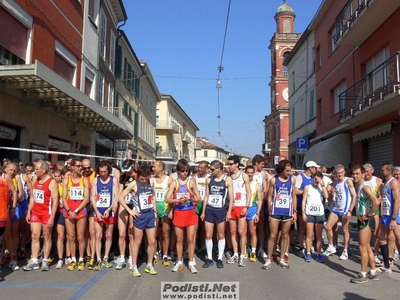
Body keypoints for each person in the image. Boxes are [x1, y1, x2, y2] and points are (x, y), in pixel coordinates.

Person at [118, 164, 158, 277]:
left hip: (150, 214)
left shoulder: (151, 182)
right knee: (137, 241)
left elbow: (153, 196)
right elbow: (120, 197)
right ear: (138, 176)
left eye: (146, 178)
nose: (144, 181)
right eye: (142, 179)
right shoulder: (133, 184)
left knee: (152, 241)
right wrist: (130, 211)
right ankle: (134, 266)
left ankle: (149, 264)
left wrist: (154, 211)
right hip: (139, 215)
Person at [166, 159, 201, 274]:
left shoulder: (191, 182)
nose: (185, 173)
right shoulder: (174, 182)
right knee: (179, 239)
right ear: (178, 171)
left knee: (190, 239)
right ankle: (179, 261)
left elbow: (199, 198)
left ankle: (191, 262)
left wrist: (190, 198)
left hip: (190, 213)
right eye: (182, 170)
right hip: (179, 213)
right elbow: (167, 199)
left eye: (187, 170)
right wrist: (177, 200)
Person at [23, 161, 58, 271]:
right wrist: (29, 211)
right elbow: (33, 197)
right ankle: (34, 260)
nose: (35, 171)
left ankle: (45, 260)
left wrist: (52, 217)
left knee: (46, 236)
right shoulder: (35, 179)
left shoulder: (52, 182)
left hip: (46, 213)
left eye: (37, 169)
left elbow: (55, 201)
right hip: (36, 212)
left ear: (44, 170)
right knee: (34, 235)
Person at [263, 160, 297, 270]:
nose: (289, 172)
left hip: (287, 211)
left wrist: (295, 212)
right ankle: (269, 258)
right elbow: (269, 196)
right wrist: (269, 210)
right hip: (275, 211)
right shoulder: (274, 180)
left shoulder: (292, 180)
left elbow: (293, 196)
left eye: (290, 170)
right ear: (281, 170)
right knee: (272, 235)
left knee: (285, 235)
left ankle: (282, 258)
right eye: (287, 170)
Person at [201, 160, 234, 269]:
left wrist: (229, 212)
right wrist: (203, 211)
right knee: (208, 235)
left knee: (221, 235)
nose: (210, 171)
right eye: (210, 169)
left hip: (221, 210)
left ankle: (219, 258)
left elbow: (231, 197)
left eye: (212, 169)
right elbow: (206, 196)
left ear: (219, 169)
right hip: (210, 209)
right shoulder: (209, 179)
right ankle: (209, 258)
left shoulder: (227, 179)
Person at [350, 165, 380, 283]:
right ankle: (372, 272)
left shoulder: (364, 187)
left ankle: (363, 274)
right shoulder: (360, 186)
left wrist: (368, 214)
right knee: (367, 246)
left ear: (363, 174)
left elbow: (376, 201)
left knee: (362, 247)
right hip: (362, 218)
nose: (355, 176)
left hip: (366, 220)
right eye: (353, 174)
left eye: (357, 174)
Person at [62, 158, 90, 271]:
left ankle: (81, 259)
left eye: (81, 166)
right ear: (72, 167)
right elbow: (63, 198)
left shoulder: (84, 180)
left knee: (80, 236)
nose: (80, 168)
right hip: (69, 210)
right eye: (78, 166)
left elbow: (86, 198)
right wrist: (69, 211)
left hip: (80, 210)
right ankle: (73, 259)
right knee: (71, 236)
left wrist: (77, 210)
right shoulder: (66, 179)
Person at [324, 164, 356, 260]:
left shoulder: (348, 181)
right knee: (328, 226)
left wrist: (350, 210)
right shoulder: (335, 182)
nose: (340, 175)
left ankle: (345, 250)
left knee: (345, 230)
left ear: (344, 172)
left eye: (341, 173)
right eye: (338, 173)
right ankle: (331, 246)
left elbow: (354, 196)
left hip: (345, 210)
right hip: (336, 208)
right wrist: (330, 190)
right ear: (335, 174)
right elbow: (329, 194)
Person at [91, 160, 119, 271]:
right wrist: (97, 211)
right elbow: (93, 197)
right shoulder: (95, 180)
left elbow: (116, 196)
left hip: (109, 211)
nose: (102, 174)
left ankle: (106, 257)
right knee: (98, 235)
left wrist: (109, 209)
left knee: (108, 235)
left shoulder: (113, 180)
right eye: (101, 171)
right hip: (98, 210)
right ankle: (98, 258)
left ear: (108, 171)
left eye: (104, 172)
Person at [227, 155, 251, 267]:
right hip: (232, 206)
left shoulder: (244, 175)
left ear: (237, 164)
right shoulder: (228, 176)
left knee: (242, 232)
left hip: (241, 206)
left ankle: (242, 255)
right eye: (228, 164)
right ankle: (235, 254)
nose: (229, 166)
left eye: (231, 164)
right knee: (233, 232)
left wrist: (246, 206)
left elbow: (249, 192)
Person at [377, 163, 400, 274]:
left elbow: (397, 201)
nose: (381, 171)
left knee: (398, 238)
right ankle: (387, 265)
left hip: (393, 215)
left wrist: (394, 218)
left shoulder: (394, 182)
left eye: (383, 170)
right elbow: (382, 200)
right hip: (385, 215)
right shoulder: (384, 184)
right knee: (381, 238)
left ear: (389, 171)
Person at [302, 172, 328, 263]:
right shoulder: (307, 187)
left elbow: (327, 196)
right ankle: (308, 253)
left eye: (318, 179)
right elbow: (304, 200)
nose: (316, 181)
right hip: (309, 213)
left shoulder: (322, 187)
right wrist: (303, 212)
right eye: (315, 179)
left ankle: (318, 254)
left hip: (319, 214)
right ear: (313, 178)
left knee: (319, 235)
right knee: (309, 234)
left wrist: (323, 185)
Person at [115, 159, 136, 271]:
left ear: (133, 167)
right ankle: (122, 257)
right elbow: (119, 191)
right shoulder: (123, 177)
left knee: (131, 234)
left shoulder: (138, 176)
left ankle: (132, 258)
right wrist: (115, 203)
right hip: (123, 204)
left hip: (134, 205)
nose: (127, 172)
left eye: (129, 170)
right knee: (122, 233)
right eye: (125, 170)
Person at [295, 161, 319, 257]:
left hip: (312, 206)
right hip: (302, 206)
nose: (316, 170)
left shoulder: (314, 178)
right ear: (310, 168)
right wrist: (305, 192)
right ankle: (301, 247)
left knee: (310, 229)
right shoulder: (300, 177)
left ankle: (310, 245)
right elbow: (296, 190)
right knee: (302, 227)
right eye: (315, 168)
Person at [152, 160, 173, 267]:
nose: (152, 168)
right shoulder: (152, 180)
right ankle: (155, 254)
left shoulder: (169, 180)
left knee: (165, 233)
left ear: (161, 168)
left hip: (165, 209)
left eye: (154, 166)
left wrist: (172, 210)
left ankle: (165, 255)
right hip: (155, 208)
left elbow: (173, 195)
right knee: (154, 233)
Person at [252, 155, 271, 259]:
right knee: (250, 227)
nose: (263, 166)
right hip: (250, 202)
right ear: (256, 163)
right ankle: (250, 246)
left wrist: (265, 196)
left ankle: (261, 247)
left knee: (261, 226)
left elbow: (266, 187)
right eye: (262, 164)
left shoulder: (263, 173)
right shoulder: (248, 172)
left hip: (260, 202)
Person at [363, 163, 382, 264]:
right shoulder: (362, 181)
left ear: (372, 171)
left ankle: (376, 254)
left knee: (376, 233)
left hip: (374, 210)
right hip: (364, 210)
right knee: (366, 234)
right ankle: (366, 252)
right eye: (364, 171)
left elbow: (381, 195)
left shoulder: (377, 180)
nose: (365, 173)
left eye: (367, 171)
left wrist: (376, 202)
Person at [245, 165, 262, 262]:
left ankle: (253, 251)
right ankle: (245, 249)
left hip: (252, 209)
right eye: (248, 172)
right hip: (243, 209)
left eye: (252, 172)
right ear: (245, 172)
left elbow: (259, 200)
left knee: (252, 232)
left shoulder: (256, 185)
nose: (250, 174)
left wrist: (258, 213)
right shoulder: (242, 183)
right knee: (243, 232)